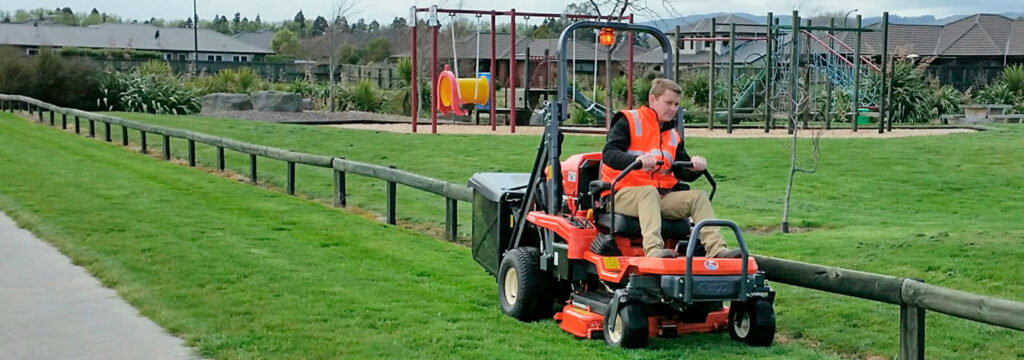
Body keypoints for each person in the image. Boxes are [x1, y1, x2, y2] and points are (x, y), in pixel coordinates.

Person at [600, 78, 742, 259]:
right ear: (653, 100)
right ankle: (654, 251)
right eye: (668, 103)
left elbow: (681, 170)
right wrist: (637, 160)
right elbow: (609, 154)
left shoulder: (672, 135)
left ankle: (717, 250)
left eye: (676, 104)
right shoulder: (628, 120)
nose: (673, 108)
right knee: (648, 192)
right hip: (621, 194)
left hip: (659, 197)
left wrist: (695, 167)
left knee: (698, 197)